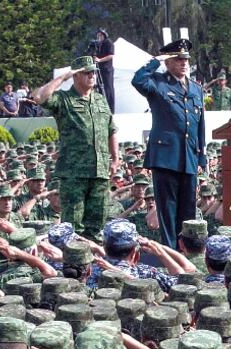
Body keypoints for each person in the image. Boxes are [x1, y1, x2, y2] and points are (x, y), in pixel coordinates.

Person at [31, 56, 118, 242]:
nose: (91, 76)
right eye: (86, 73)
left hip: (100, 170)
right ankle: (73, 265)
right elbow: (39, 97)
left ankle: (95, 262)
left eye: (93, 72)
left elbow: (111, 129)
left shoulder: (100, 100)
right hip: (74, 172)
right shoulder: (63, 99)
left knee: (97, 225)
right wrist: (62, 78)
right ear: (76, 76)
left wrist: (116, 159)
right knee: (73, 226)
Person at [132, 38, 207, 247]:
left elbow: (200, 123)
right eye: (178, 59)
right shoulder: (158, 82)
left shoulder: (196, 89)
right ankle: (171, 254)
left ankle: (187, 251)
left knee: (188, 210)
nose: (184, 63)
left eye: (186, 60)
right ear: (168, 62)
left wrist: (202, 156)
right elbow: (137, 80)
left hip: (189, 157)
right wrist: (155, 61)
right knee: (168, 210)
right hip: (166, 157)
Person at [92, 28, 116, 111]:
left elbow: (111, 55)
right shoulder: (98, 44)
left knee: (108, 88)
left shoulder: (109, 43)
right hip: (99, 69)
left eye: (100, 35)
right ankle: (103, 108)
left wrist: (100, 60)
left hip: (107, 69)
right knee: (99, 88)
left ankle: (111, 109)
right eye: (98, 35)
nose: (99, 37)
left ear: (104, 35)